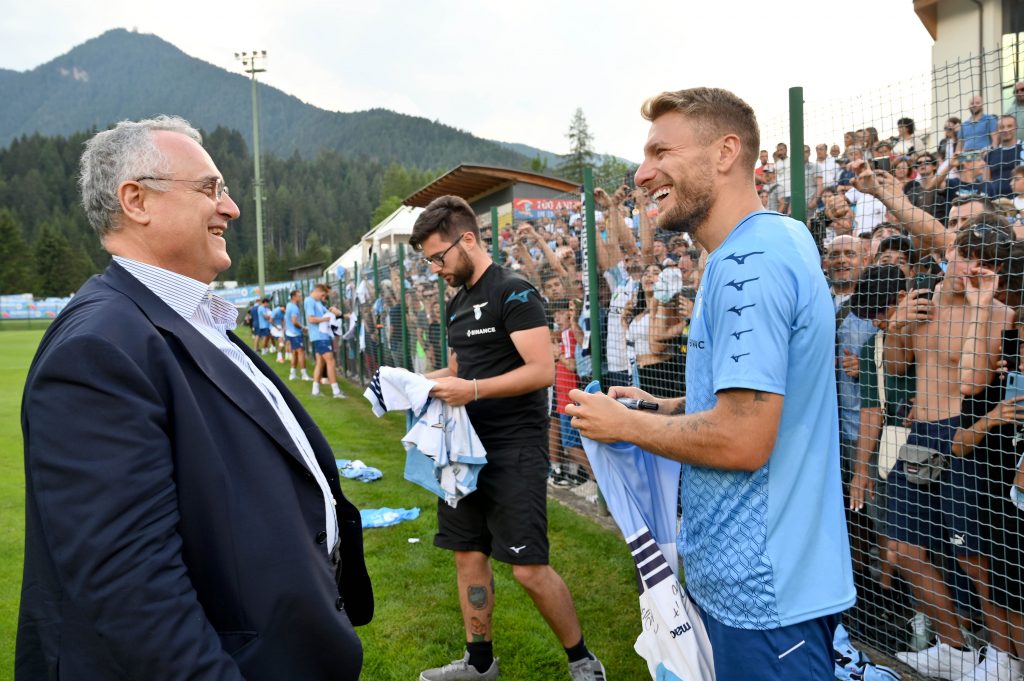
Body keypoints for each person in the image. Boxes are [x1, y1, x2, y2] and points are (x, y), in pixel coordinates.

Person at [17, 116, 372, 680]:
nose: (229, 208)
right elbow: (132, 592)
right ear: (135, 200)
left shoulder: (187, 319)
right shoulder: (100, 347)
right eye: (211, 189)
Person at [567, 87, 854, 681]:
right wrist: (668, 405)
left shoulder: (750, 262)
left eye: (660, 152)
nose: (643, 173)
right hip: (762, 587)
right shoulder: (780, 237)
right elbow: (773, 397)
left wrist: (626, 425)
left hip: (765, 599)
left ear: (725, 152)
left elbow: (742, 439)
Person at [408, 195, 605, 681]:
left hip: (514, 448)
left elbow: (542, 370)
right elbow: (458, 370)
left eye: (439, 256)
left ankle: (583, 662)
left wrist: (471, 389)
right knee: (468, 555)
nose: (435, 268)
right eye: (429, 260)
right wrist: (408, 384)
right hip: (462, 450)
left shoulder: (514, 293)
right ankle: (479, 664)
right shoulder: (456, 301)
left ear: (468, 239)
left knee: (528, 568)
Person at [305, 283, 346, 399]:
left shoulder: (318, 302)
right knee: (331, 361)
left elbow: (330, 312)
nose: (324, 297)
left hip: (322, 336)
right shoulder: (309, 301)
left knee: (320, 363)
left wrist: (336, 312)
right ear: (317, 291)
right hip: (319, 336)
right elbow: (311, 319)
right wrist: (328, 318)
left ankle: (315, 390)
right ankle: (336, 392)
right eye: (323, 294)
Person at [285, 288, 311, 381]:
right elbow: (294, 321)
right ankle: (304, 374)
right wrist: (303, 328)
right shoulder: (294, 307)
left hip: (290, 333)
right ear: (294, 297)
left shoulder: (288, 305)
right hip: (295, 334)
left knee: (295, 353)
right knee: (301, 353)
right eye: (299, 296)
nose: (300, 297)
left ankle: (293, 374)